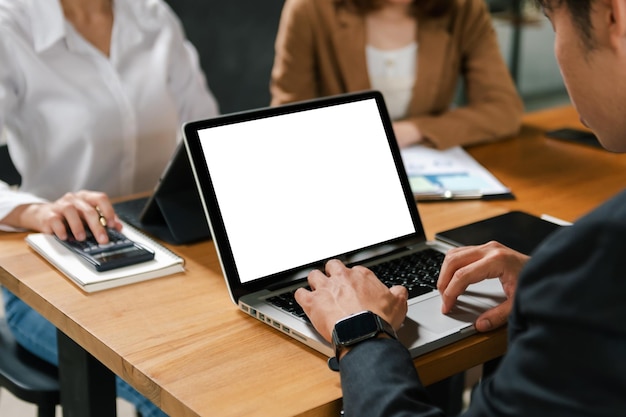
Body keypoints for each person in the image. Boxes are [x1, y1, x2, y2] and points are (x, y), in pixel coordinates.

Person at [294, 0, 626, 415]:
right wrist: (549, 284)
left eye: (551, 23)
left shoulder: (603, 264)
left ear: (614, 16)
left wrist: (359, 330)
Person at [0, 0, 218, 416]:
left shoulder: (153, 15)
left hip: (167, 259)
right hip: (56, 279)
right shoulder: (11, 25)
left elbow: (204, 134)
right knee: (180, 396)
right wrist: (36, 211)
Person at [270, 0, 524, 149]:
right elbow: (288, 122)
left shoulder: (464, 9)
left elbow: (503, 110)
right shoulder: (310, 9)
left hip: (429, 167)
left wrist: (414, 130)